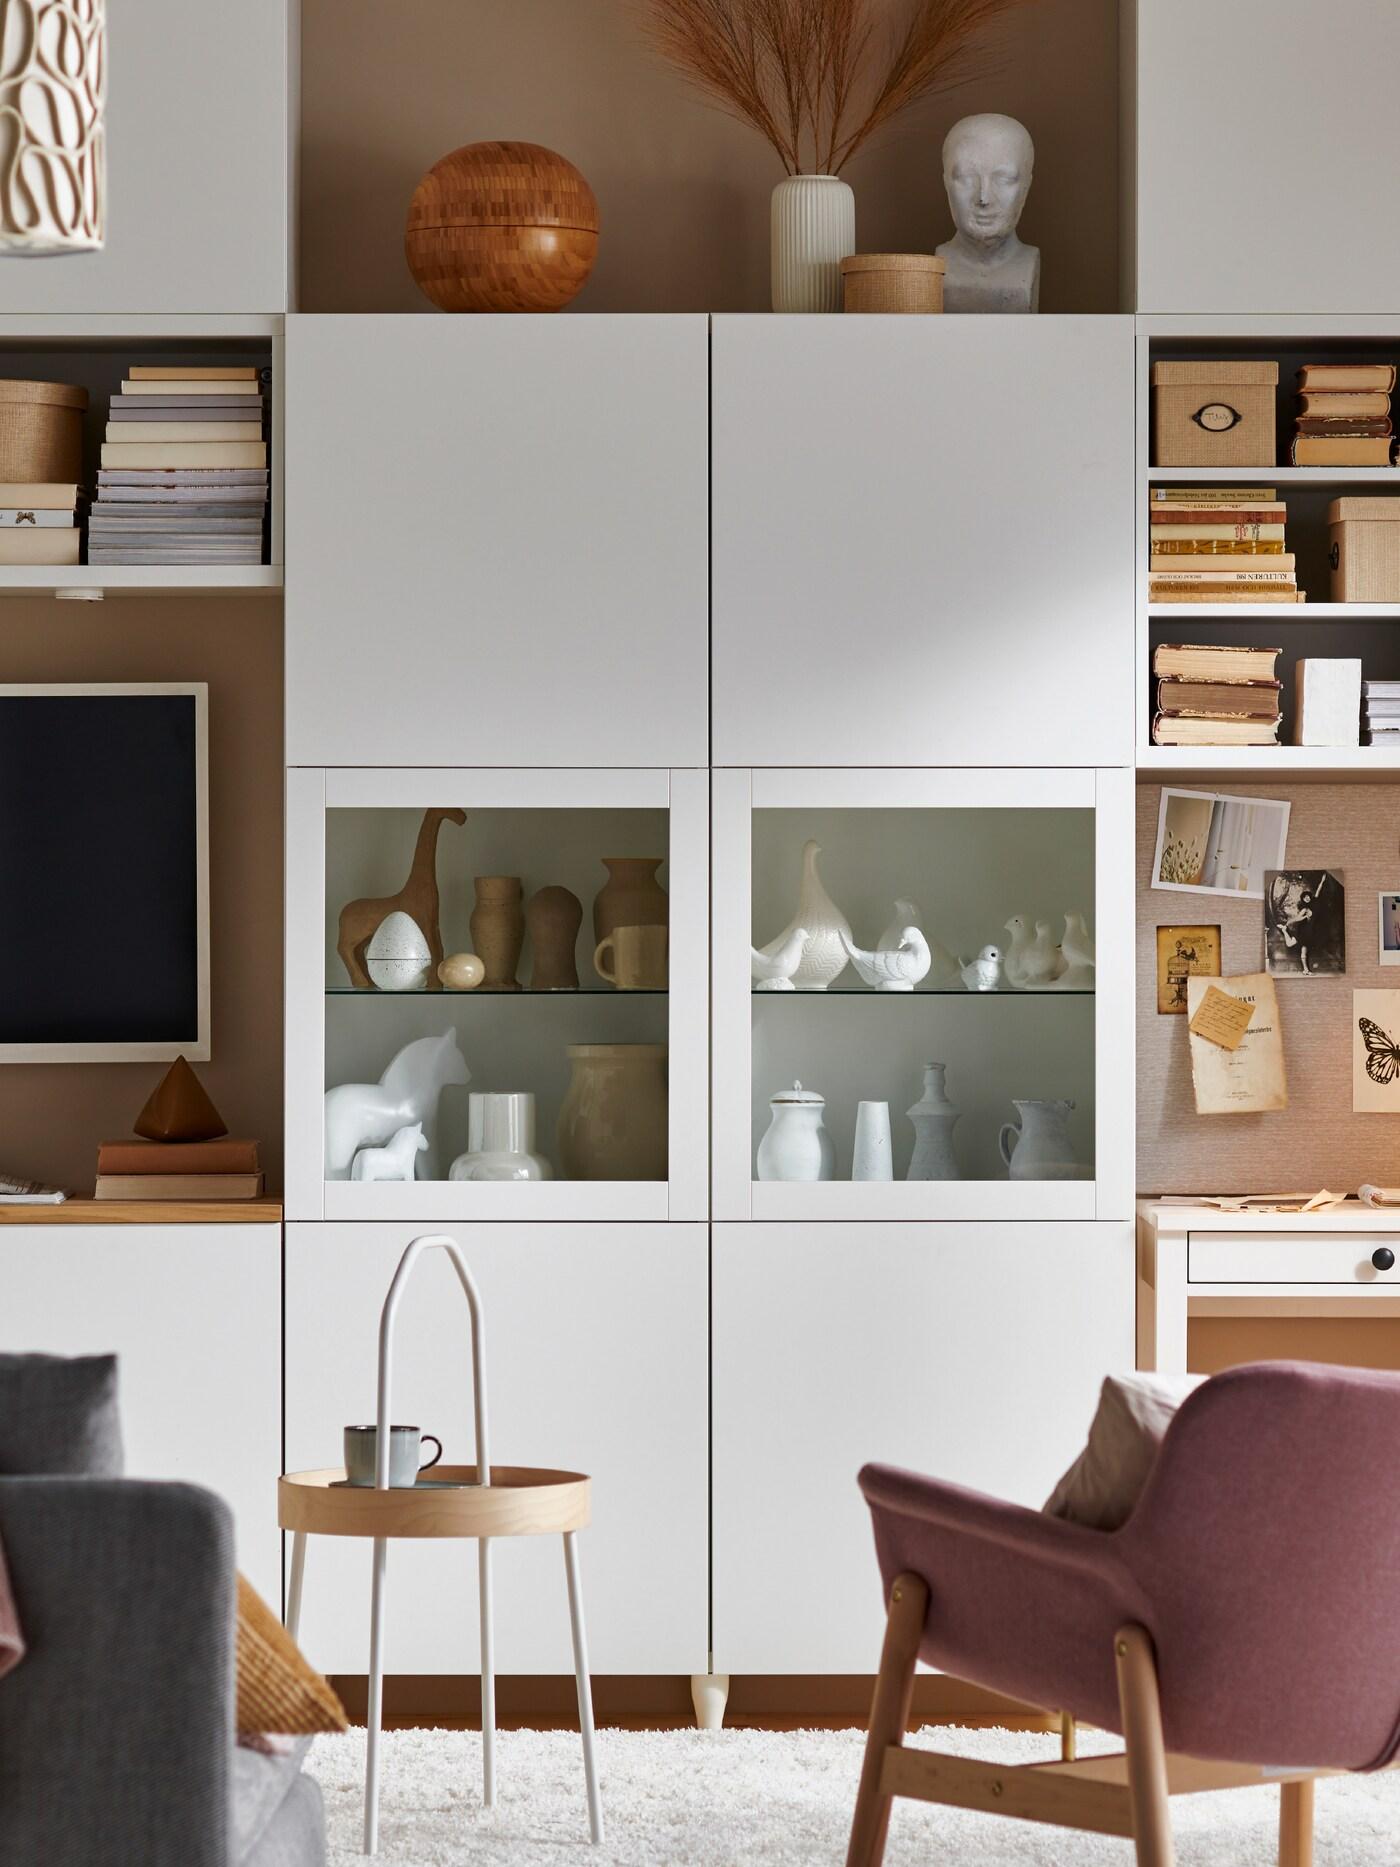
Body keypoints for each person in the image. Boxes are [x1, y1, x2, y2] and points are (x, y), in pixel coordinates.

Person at [936, 113, 1040, 313]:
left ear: (1026, 186)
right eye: (966, 178)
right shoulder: (936, 269)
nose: (983, 198)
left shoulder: (1028, 262)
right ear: (946, 183)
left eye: (1004, 179)